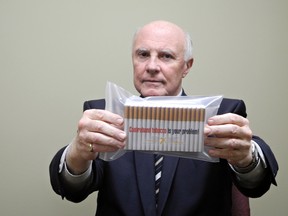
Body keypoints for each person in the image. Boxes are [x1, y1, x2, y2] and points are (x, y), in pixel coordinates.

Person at [49, 20, 278, 216]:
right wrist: (77, 153)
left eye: (166, 56)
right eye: (143, 54)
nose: (151, 66)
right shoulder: (106, 114)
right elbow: (73, 191)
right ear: (133, 59)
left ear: (186, 66)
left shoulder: (220, 114)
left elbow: (257, 184)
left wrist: (247, 158)